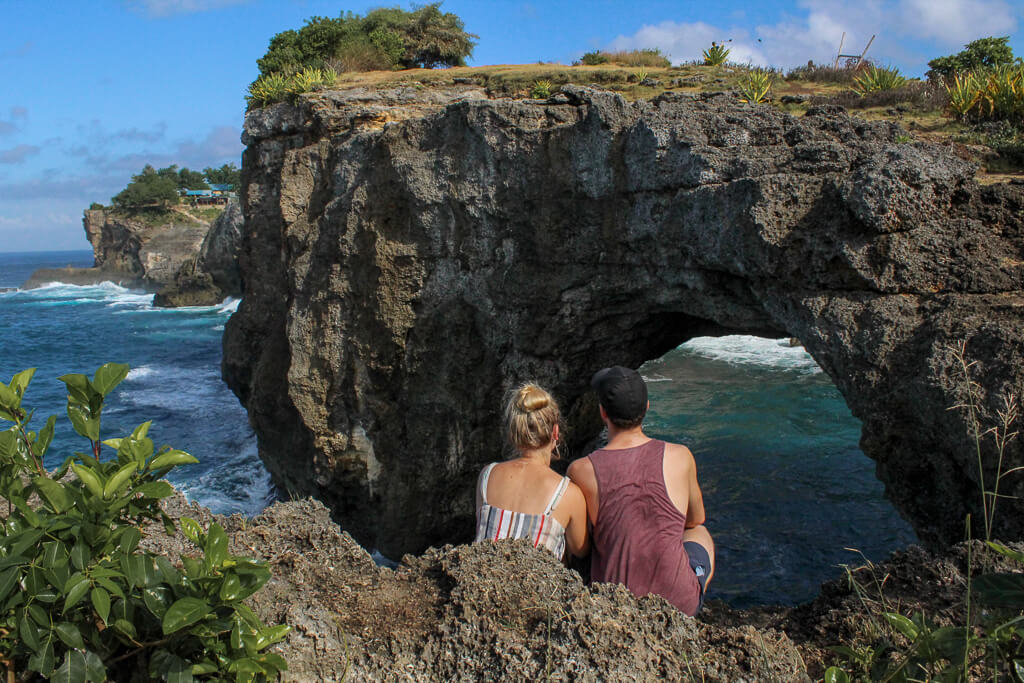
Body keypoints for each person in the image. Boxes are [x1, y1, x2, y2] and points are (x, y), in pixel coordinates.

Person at [567, 366, 714, 616]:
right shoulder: (680, 456)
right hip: (678, 606)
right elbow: (696, 519)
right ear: (647, 407)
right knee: (700, 532)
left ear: (603, 413)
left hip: (615, 604)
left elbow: (580, 546)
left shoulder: (581, 469)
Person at [474, 383, 589, 561]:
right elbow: (580, 549)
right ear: (556, 432)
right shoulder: (568, 494)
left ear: (513, 434)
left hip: (481, 584)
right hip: (535, 587)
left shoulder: (487, 476)